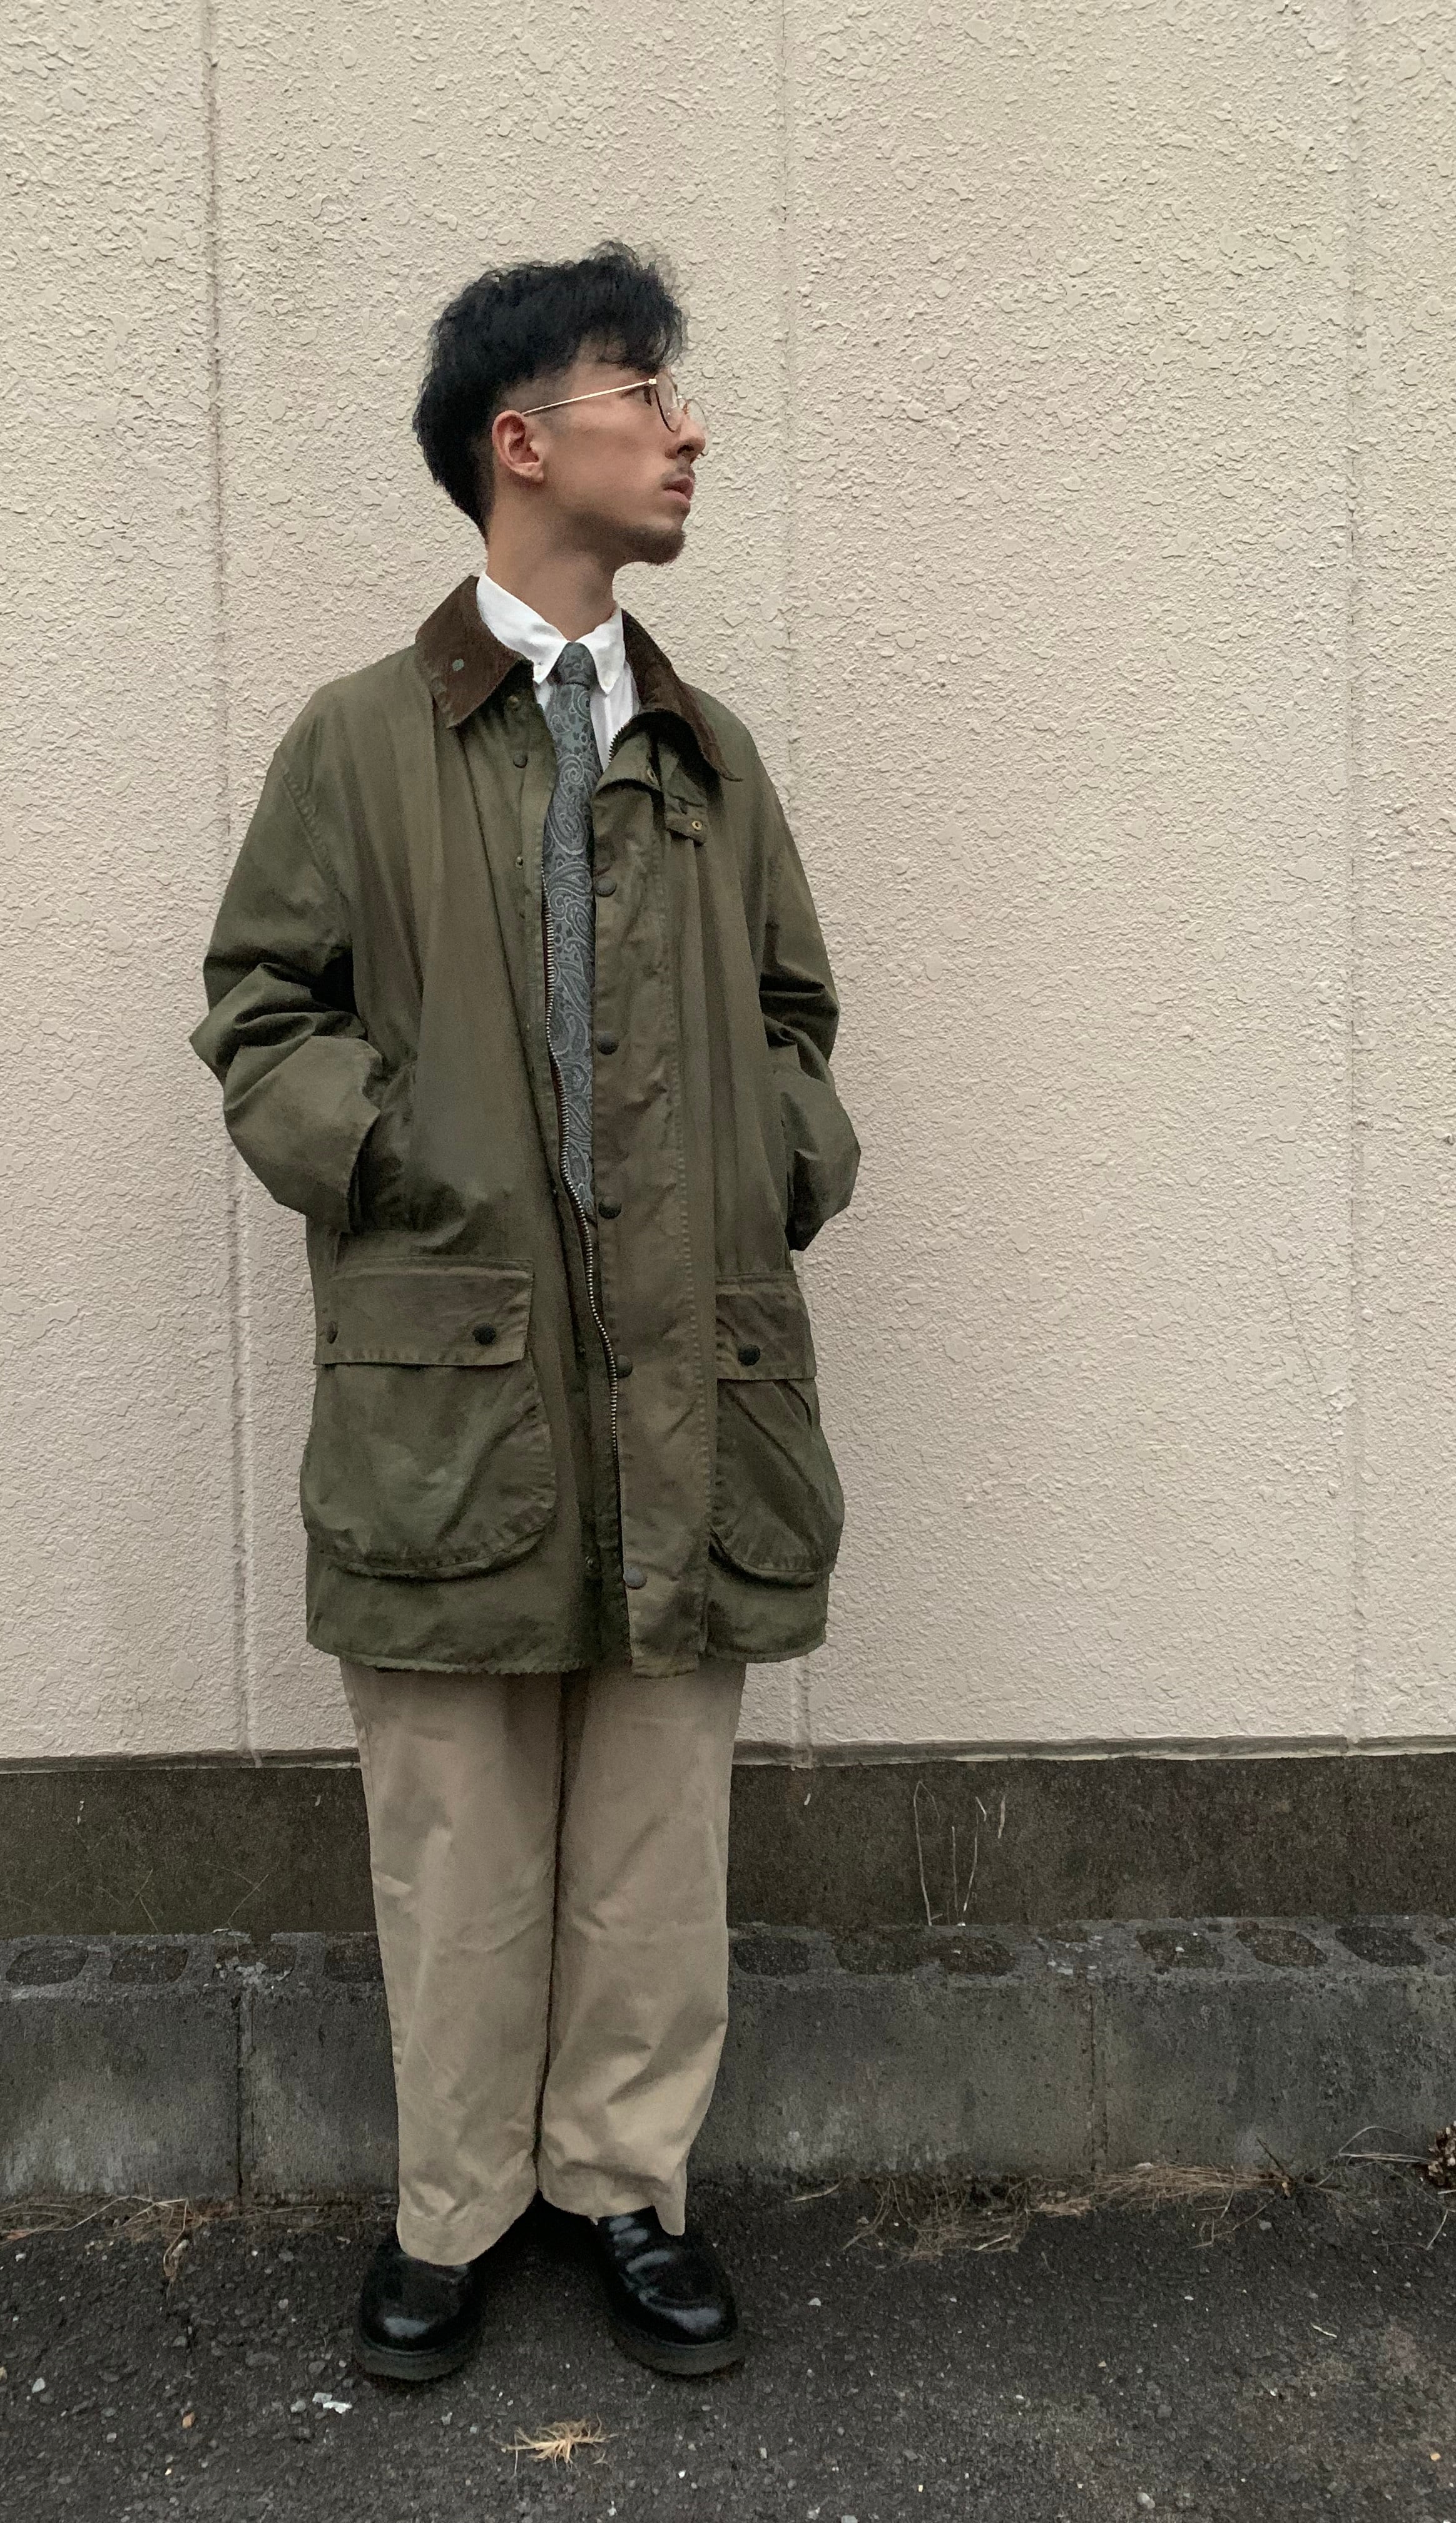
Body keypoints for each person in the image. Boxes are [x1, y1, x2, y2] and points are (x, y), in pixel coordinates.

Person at [192, 240, 859, 2382]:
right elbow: (260, 1011)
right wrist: (397, 1152)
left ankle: (628, 2189)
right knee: (456, 1845)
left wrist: (780, 1158)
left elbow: (795, 1017)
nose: (687, 430)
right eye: (642, 391)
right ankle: (453, 2211)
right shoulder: (360, 741)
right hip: (450, 1395)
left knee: (658, 1839)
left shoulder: (706, 752)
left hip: (689, 1386)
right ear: (522, 442)